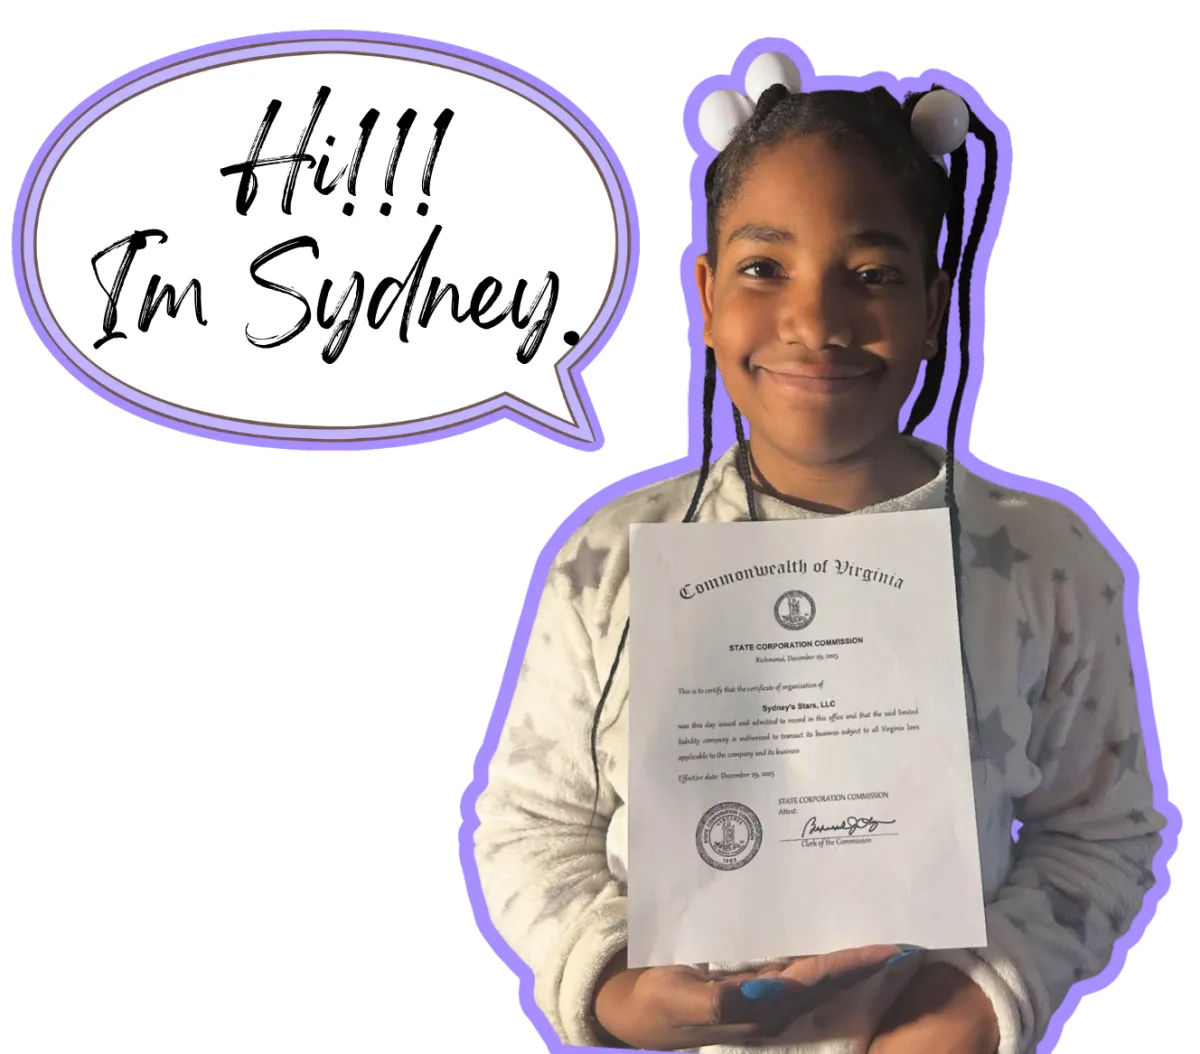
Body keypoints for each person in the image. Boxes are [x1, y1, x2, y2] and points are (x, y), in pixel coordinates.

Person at [472, 71, 1167, 1054]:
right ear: (706, 297)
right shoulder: (612, 564)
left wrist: (975, 1004)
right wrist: (614, 984)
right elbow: (532, 825)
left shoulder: (1044, 565)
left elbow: (1098, 836)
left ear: (935, 306)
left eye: (873, 274)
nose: (816, 323)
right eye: (765, 268)